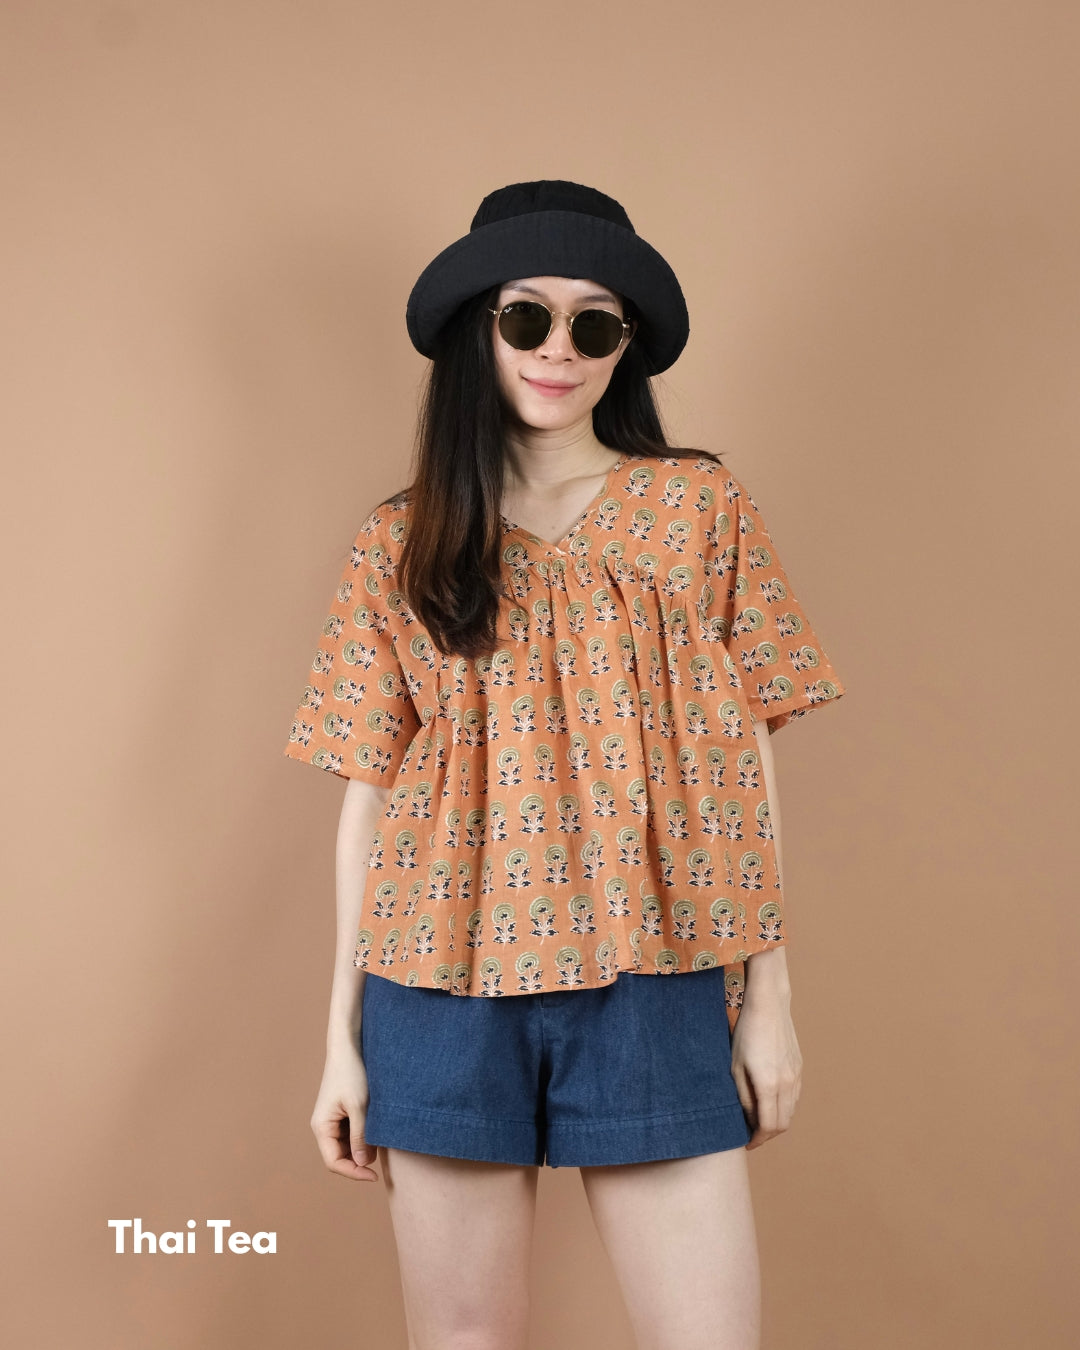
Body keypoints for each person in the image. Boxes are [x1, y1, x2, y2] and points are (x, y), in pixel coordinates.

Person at [283, 180, 846, 1350]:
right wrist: (340, 1037)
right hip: (437, 986)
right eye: (526, 317)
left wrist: (768, 998)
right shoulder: (402, 540)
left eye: (596, 324)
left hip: (654, 969)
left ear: (626, 345)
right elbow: (368, 798)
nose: (559, 350)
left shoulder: (697, 509)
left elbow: (745, 769)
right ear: (476, 330)